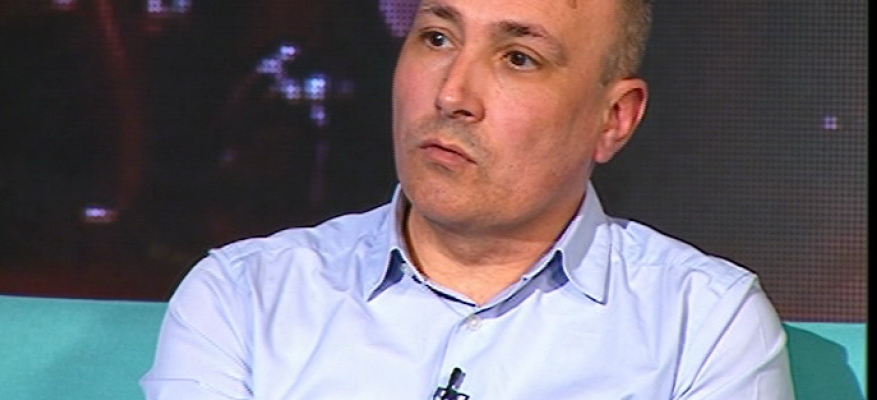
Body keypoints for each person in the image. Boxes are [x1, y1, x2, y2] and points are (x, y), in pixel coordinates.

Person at [140, 0, 796, 398]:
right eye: (437, 38)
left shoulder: (703, 325)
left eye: (518, 58)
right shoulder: (243, 298)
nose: (452, 94)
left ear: (613, 118)